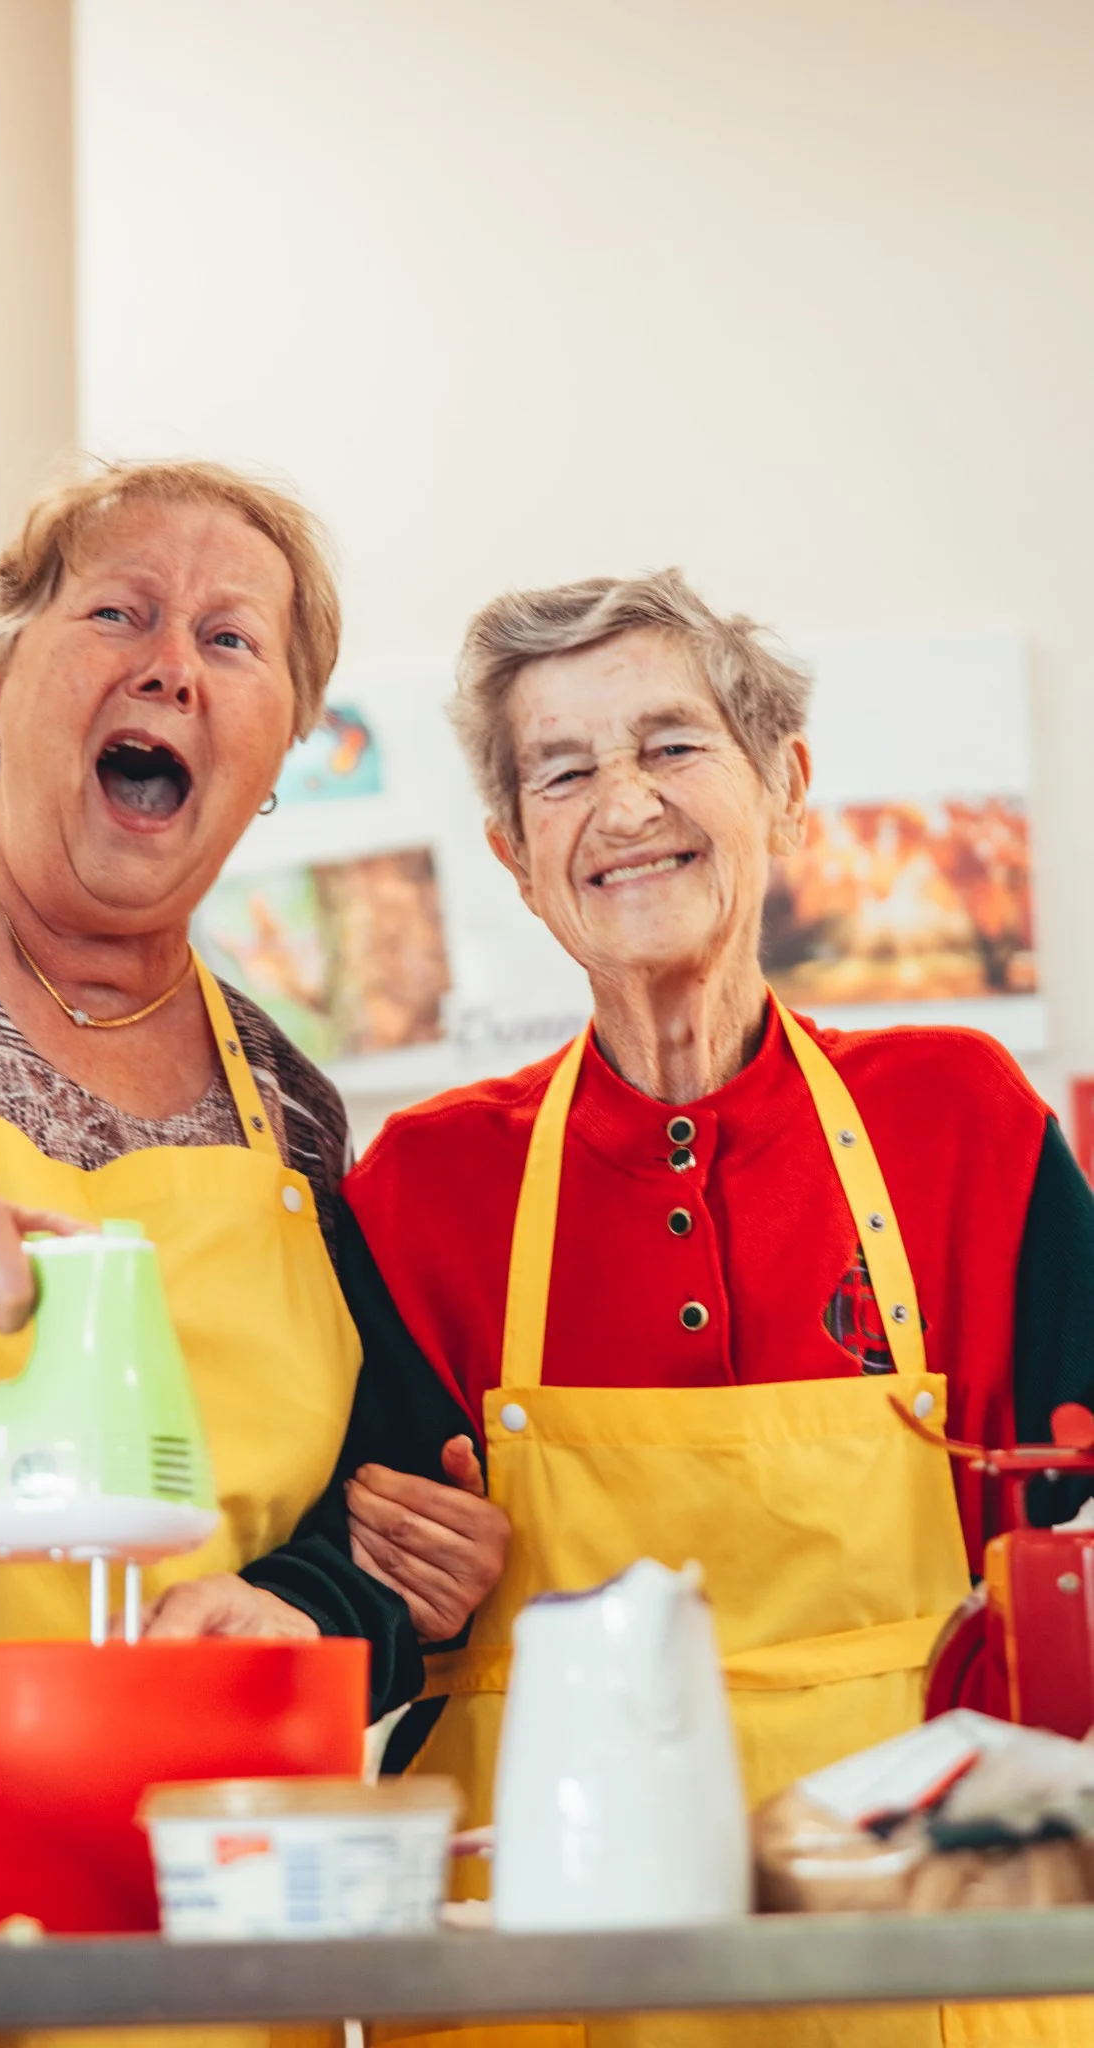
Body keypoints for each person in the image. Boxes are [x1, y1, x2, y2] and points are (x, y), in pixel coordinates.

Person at [0, 459, 505, 1959]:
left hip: (194, 1934)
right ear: (3, 677)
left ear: (279, 749)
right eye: (120, 613)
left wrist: (359, 1597)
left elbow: (352, 1531)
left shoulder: (289, 1105)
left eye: (232, 640)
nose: (171, 664)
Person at [342, 570, 1094, 2048]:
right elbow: (345, 1592)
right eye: (563, 771)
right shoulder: (421, 1186)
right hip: (559, 1983)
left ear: (786, 787)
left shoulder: (967, 1123)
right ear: (512, 851)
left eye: (672, 746)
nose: (621, 806)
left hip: (919, 1965)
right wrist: (387, 1575)